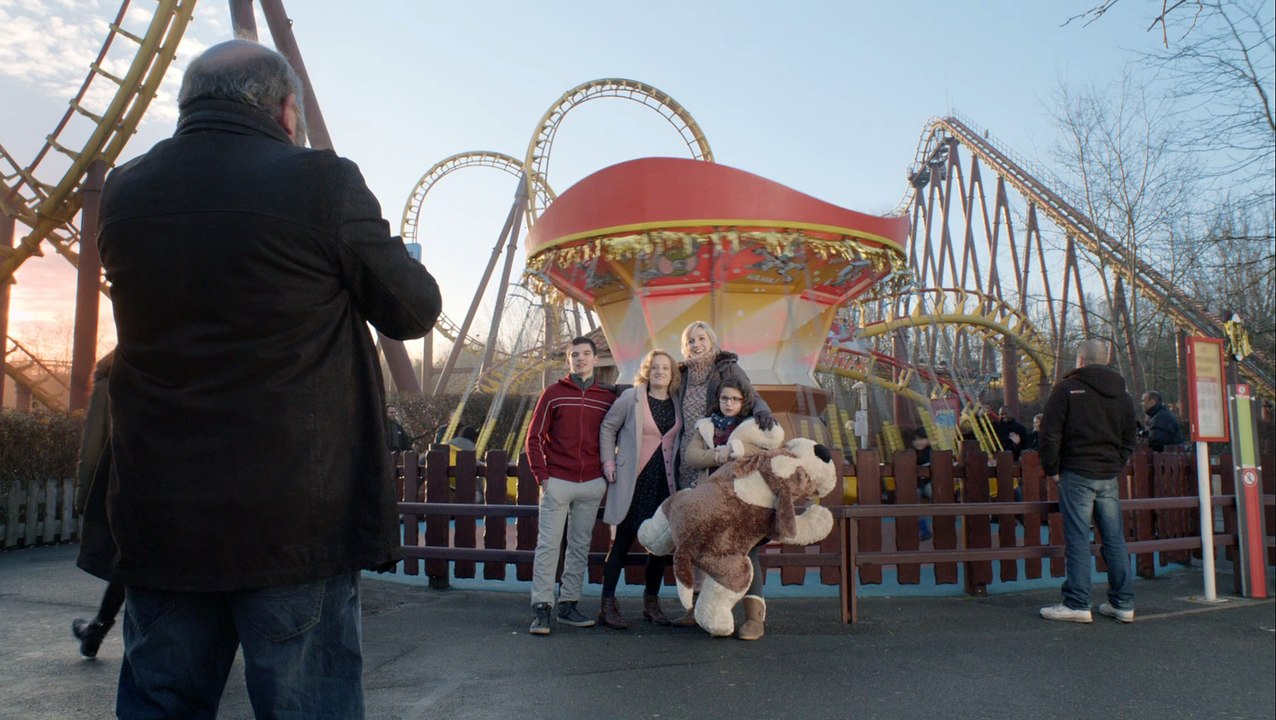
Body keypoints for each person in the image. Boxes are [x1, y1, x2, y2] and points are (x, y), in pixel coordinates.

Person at [97, 39, 441, 718]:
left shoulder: (125, 191)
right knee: (306, 702)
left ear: (186, 104)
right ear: (288, 111)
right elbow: (413, 309)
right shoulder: (322, 184)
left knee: (161, 699)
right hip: (292, 519)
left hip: (159, 507)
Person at [1038, 338, 1137, 624]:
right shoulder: (1122, 395)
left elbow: (1049, 433)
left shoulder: (1067, 389)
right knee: (1114, 539)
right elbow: (1130, 437)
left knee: (1078, 538)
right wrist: (1116, 463)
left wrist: (1052, 468)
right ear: (1106, 360)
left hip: (1077, 471)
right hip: (1108, 474)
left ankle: (1078, 603)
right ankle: (1123, 603)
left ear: (1080, 360)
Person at [525, 336, 617, 635]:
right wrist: (543, 477)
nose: (581, 359)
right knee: (548, 546)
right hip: (558, 481)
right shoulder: (553, 393)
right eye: (575, 354)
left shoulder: (606, 398)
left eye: (586, 354)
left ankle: (568, 604)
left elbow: (618, 433)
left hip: (591, 482)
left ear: (595, 358)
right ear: (568, 359)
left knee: (580, 546)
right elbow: (534, 437)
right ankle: (542, 607)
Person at [680, 375, 778, 640]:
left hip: (745, 502)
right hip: (714, 502)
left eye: (735, 399)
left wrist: (738, 447)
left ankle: (754, 617)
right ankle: (710, 612)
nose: (729, 403)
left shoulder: (753, 426)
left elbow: (766, 450)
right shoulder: (706, 426)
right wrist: (719, 454)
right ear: (718, 400)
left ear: (743, 402)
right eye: (725, 398)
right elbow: (692, 456)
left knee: (749, 554)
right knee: (711, 555)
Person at [596, 349, 683, 629]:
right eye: (654, 367)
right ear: (647, 370)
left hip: (664, 482)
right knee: (622, 541)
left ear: (672, 375)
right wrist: (609, 461)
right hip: (635, 481)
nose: (659, 372)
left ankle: (651, 603)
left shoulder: (677, 403)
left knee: (658, 546)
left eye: (665, 368)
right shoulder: (631, 398)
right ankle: (607, 603)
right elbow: (608, 427)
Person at [71, 351, 125, 659]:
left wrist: (83, 494)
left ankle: (98, 629)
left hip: (118, 482)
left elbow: (92, 442)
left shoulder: (108, 379)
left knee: (126, 561)